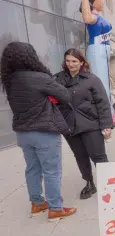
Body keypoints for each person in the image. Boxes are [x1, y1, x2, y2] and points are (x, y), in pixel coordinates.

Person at [1, 42, 77, 220]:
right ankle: (56, 208)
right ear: (30, 57)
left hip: (23, 133)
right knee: (52, 170)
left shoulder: (9, 79)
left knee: (32, 168)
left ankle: (36, 203)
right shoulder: (38, 77)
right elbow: (65, 96)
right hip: (44, 131)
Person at [54, 48, 113, 200]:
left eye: (74, 61)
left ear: (81, 62)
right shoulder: (58, 79)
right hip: (70, 125)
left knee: (98, 156)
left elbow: (103, 103)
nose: (71, 64)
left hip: (90, 124)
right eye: (68, 61)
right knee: (80, 156)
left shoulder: (91, 79)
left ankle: (109, 183)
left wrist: (106, 124)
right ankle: (89, 183)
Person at [80, 0, 113, 115]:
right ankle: (104, 113)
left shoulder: (99, 16)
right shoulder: (92, 17)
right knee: (100, 81)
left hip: (104, 50)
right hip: (96, 50)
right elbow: (87, 18)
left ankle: (109, 110)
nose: (103, 2)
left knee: (106, 81)